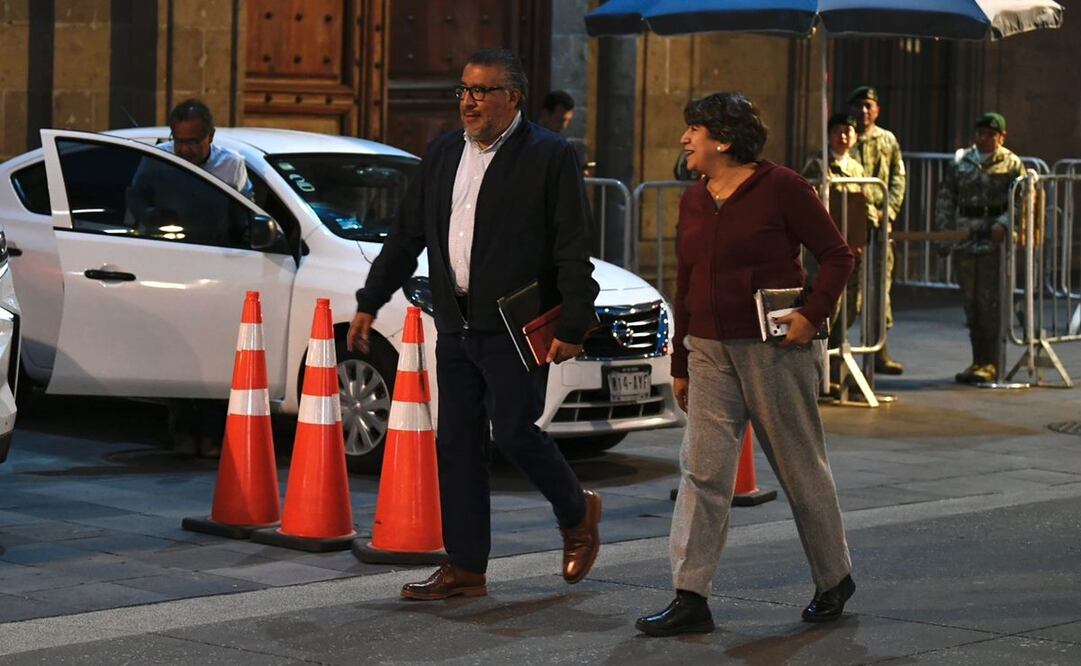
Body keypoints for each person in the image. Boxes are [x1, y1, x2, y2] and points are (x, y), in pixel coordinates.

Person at [348, 49, 602, 600]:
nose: (469, 101)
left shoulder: (549, 155)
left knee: (514, 430)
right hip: (456, 321)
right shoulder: (442, 153)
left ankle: (577, 511)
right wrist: (371, 299)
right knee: (457, 443)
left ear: (514, 97)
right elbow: (407, 235)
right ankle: (466, 568)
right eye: (464, 89)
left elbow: (572, 245)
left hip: (514, 324)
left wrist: (575, 323)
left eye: (483, 91)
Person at [635, 92, 856, 637]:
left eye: (694, 129)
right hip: (710, 351)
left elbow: (838, 254)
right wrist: (681, 357)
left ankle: (834, 578)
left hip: (773, 349)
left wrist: (812, 314)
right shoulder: (694, 198)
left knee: (800, 467)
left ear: (723, 139)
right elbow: (686, 282)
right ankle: (690, 595)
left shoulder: (781, 187)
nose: (685, 139)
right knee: (702, 471)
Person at [127, 99, 254, 458]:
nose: (184, 149)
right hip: (173, 266)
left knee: (214, 352)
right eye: (178, 141)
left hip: (218, 270)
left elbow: (244, 214)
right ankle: (181, 430)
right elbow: (134, 202)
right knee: (179, 349)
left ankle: (213, 434)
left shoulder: (231, 165)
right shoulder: (158, 161)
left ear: (210, 136)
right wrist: (151, 215)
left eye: (193, 142)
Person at [934, 112, 1024, 384]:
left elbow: (1021, 199)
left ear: (1001, 137)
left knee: (990, 303)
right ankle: (978, 360)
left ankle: (992, 362)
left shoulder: (1011, 163)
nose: (984, 138)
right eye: (980, 133)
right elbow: (946, 198)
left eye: (990, 134)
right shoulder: (962, 161)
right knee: (971, 304)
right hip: (965, 237)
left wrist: (1005, 223)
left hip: (991, 241)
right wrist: (945, 234)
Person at [803, 113, 878, 393]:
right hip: (825, 254)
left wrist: (865, 232)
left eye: (848, 131)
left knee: (848, 310)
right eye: (837, 131)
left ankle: (834, 373)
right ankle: (817, 376)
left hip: (852, 250)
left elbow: (864, 206)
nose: (843, 136)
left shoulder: (858, 168)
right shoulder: (818, 165)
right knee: (825, 311)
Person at [848, 85, 906, 375]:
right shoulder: (845, 138)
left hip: (880, 225)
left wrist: (890, 210)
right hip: (852, 223)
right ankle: (839, 358)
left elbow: (898, 177)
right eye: (859, 105)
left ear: (877, 109)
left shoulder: (887, 140)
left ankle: (879, 351)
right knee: (849, 291)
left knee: (880, 289)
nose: (863, 111)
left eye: (868, 105)